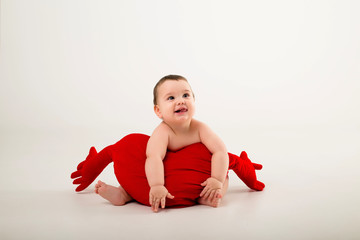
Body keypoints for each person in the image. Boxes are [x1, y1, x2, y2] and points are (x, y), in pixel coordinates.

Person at [95, 75, 230, 212]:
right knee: (138, 174)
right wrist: (157, 185)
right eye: (171, 98)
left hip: (194, 181)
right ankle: (124, 194)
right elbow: (154, 157)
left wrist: (217, 180)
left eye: (185, 95)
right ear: (158, 111)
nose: (180, 101)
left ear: (194, 101)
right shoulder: (163, 132)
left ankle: (207, 196)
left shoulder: (201, 129)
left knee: (224, 176)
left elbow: (220, 151)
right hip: (162, 176)